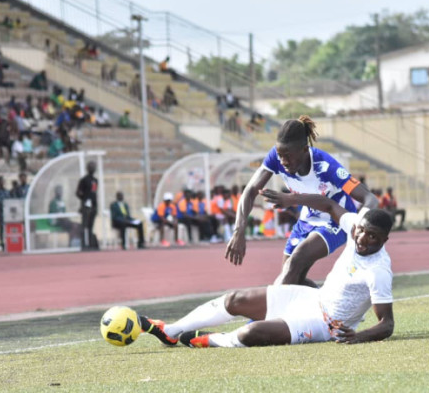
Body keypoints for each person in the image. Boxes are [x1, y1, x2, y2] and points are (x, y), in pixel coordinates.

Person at [140, 197, 394, 349]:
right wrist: (290, 199)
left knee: (251, 333)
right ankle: (171, 331)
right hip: (311, 299)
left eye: (373, 236)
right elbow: (328, 204)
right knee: (234, 299)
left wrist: (358, 336)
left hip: (325, 324)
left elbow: (387, 324)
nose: (362, 238)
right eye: (361, 230)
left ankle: (212, 340)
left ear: (384, 239)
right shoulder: (354, 227)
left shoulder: (379, 271)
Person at [225, 115, 379, 288]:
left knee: (296, 261)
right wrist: (239, 230)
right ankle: (328, 306)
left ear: (305, 150)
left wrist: (360, 228)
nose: (283, 162)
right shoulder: (276, 157)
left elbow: (370, 199)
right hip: (307, 218)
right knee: (290, 280)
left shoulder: (326, 166)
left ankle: (263, 315)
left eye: (288, 156)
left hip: (335, 220)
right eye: (280, 155)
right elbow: (250, 191)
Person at [76, 161, 99, 250]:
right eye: (91, 167)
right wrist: (84, 199)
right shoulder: (84, 180)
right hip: (86, 206)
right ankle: (83, 244)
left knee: (90, 226)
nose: (92, 169)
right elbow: (78, 192)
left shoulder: (95, 180)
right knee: (84, 225)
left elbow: (94, 193)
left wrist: (95, 205)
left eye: (93, 167)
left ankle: (90, 243)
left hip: (93, 206)